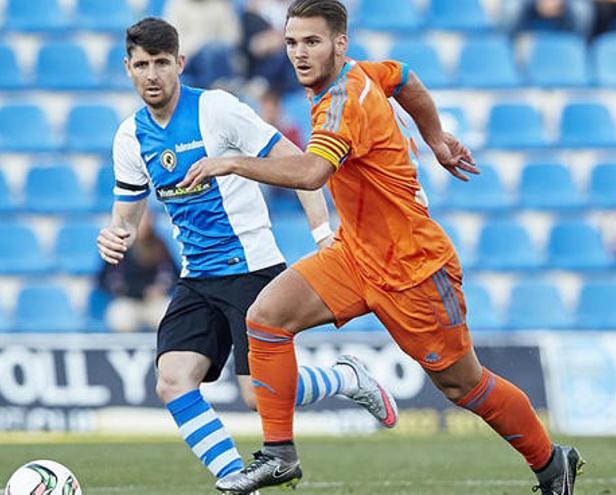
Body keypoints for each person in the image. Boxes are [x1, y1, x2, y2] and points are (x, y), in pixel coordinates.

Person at [178, 1, 584, 493]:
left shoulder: (342, 101)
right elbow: (406, 77)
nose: (299, 54)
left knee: (464, 384)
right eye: (291, 42)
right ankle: (279, 454)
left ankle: (550, 462)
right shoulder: (359, 73)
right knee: (266, 318)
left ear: (339, 43)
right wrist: (435, 139)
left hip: (413, 270)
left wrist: (233, 163)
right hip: (355, 255)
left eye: (312, 42)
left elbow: (312, 173)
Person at [96, 17, 399, 492]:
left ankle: (344, 377)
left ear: (179, 63)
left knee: (261, 396)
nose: (151, 74)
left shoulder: (217, 110)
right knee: (173, 380)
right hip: (197, 277)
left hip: (252, 269)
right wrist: (115, 235)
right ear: (127, 68)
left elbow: (296, 162)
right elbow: (127, 216)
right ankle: (235, 478)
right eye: (141, 65)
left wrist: (323, 233)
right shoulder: (129, 138)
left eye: (160, 63)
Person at [99, 210, 176, 332]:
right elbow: (106, 279)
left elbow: (172, 274)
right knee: (120, 316)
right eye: (140, 220)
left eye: (147, 219)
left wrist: (161, 288)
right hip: (128, 300)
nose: (144, 223)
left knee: (169, 314)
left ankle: (161, 350)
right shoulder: (118, 244)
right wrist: (136, 291)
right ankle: (124, 351)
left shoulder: (159, 244)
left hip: (154, 301)